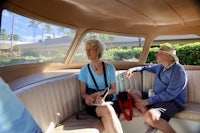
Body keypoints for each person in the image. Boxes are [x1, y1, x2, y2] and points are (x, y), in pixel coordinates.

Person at [126, 45, 187, 133]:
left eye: (160, 53)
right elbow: (145, 68)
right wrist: (132, 69)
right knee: (131, 92)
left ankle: (151, 118)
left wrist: (146, 101)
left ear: (169, 56)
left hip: (172, 101)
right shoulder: (160, 66)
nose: (157, 55)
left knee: (149, 115)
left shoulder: (178, 71)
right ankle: (151, 120)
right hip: (157, 96)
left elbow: (169, 94)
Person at [78, 39, 123, 133]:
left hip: (110, 101)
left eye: (91, 48)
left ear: (98, 51)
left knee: (107, 114)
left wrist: (99, 95)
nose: (88, 51)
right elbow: (83, 94)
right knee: (107, 110)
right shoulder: (84, 71)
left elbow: (113, 90)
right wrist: (89, 98)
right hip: (94, 105)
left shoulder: (110, 68)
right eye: (86, 49)